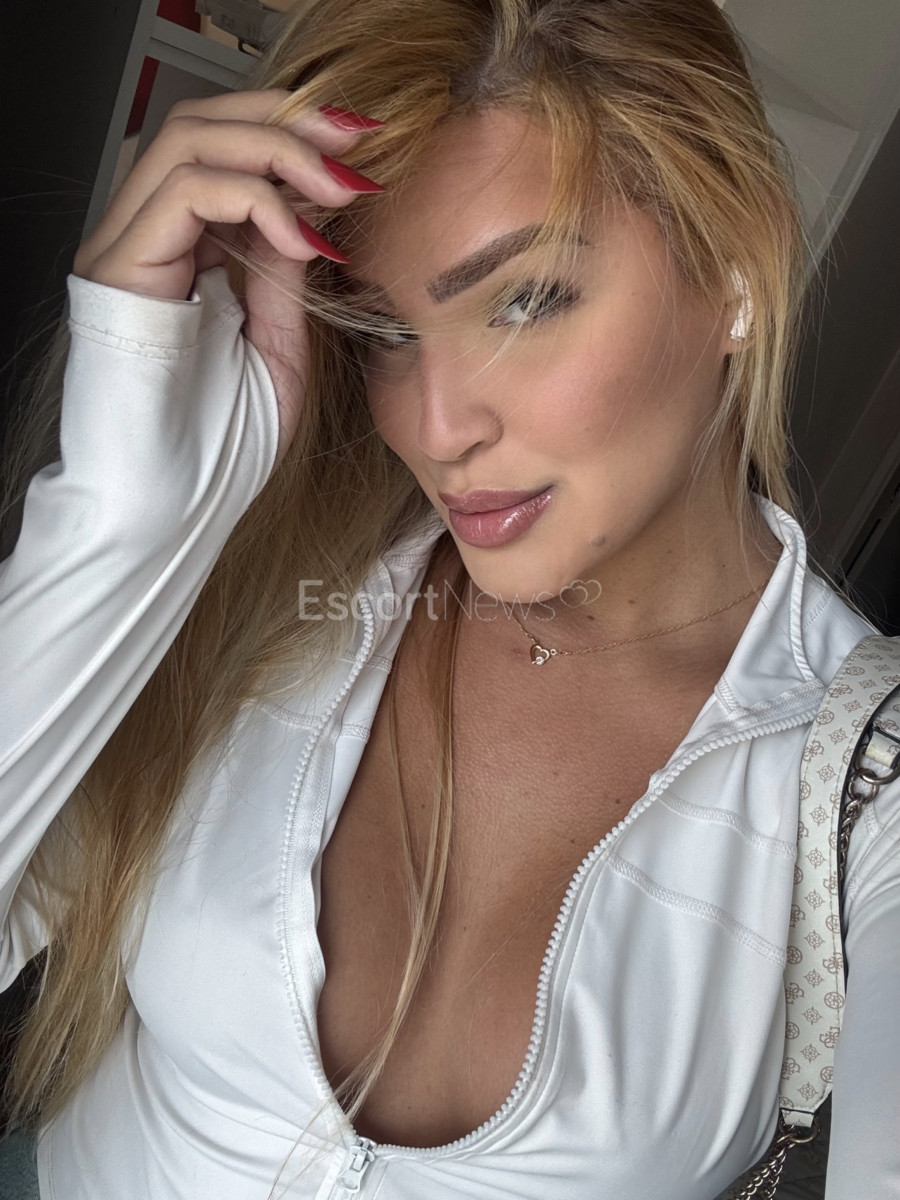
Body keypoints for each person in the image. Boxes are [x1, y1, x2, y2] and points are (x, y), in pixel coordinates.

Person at [0, 0, 897, 1197]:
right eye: (384, 330)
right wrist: (121, 522)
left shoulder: (867, 792)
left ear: (735, 267)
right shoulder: (276, 587)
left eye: (524, 300)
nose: (436, 428)